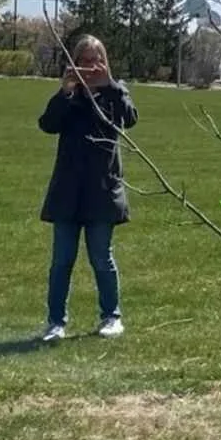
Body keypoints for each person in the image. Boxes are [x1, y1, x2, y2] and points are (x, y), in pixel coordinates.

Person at [38, 35, 139, 342]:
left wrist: (111, 86)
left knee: (101, 258)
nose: (91, 67)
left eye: (97, 60)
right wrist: (65, 91)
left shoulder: (114, 92)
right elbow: (47, 124)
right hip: (68, 190)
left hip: (102, 189)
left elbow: (130, 118)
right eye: (84, 61)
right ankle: (55, 322)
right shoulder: (70, 96)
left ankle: (111, 316)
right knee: (61, 261)